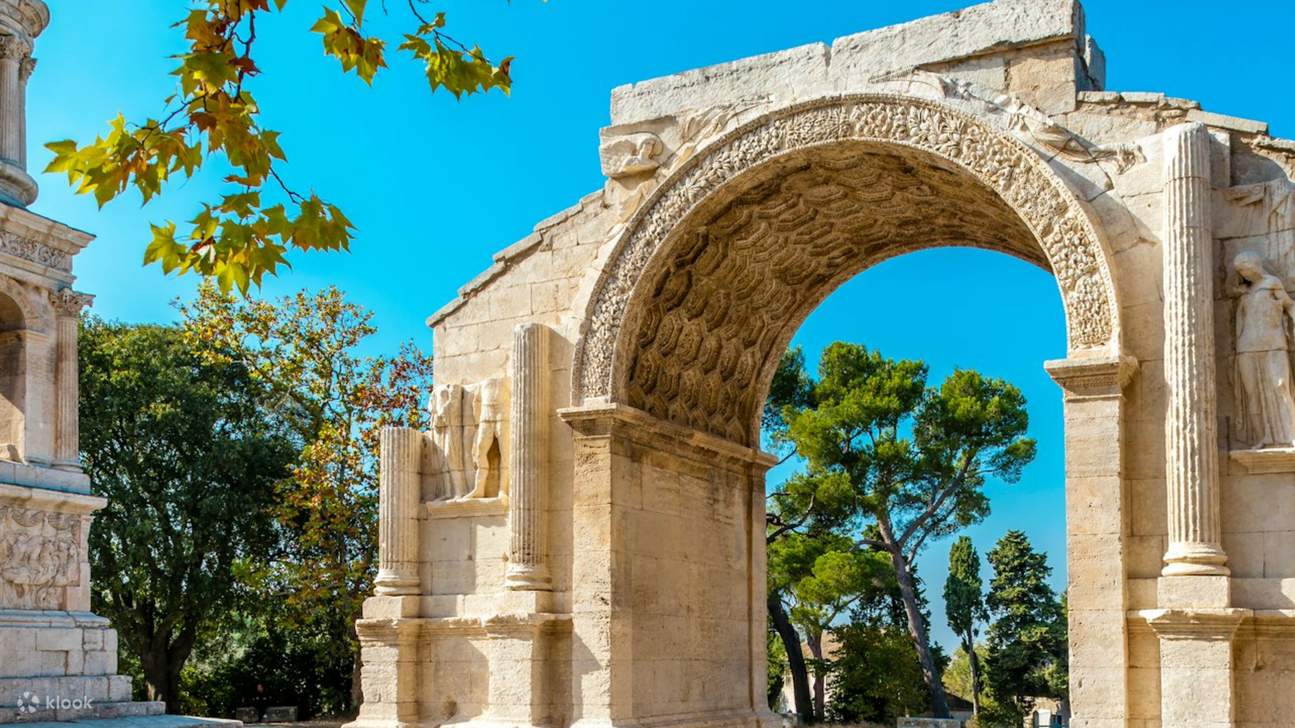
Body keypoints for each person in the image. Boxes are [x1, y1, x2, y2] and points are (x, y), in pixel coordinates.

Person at [1233, 251, 1295, 448]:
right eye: (1240, 271)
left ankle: (1291, 432)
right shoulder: (1244, 292)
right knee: (1253, 394)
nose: (1244, 273)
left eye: (1245, 268)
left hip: (1273, 342)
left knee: (1280, 385)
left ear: (1255, 264)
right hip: (1247, 346)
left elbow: (1288, 305)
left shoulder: (1272, 282)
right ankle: (1262, 437)